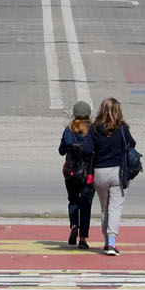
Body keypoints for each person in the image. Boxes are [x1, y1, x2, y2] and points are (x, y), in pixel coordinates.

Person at [89, 97, 136, 256]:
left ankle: (105, 242)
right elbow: (132, 144)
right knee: (115, 208)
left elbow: (87, 150)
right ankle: (111, 242)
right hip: (118, 172)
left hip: (100, 172)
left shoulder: (95, 129)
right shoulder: (122, 128)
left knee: (104, 209)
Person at [58, 100, 95, 249]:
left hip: (71, 173)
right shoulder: (92, 130)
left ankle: (74, 225)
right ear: (88, 114)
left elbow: (61, 151)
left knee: (73, 201)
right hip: (87, 173)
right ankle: (83, 238)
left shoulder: (68, 130)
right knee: (86, 205)